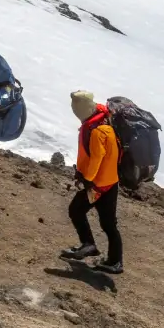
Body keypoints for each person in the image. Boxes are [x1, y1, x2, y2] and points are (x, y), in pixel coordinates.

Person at [59, 91, 124, 275]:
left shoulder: (96, 130)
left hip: (98, 186)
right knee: (109, 224)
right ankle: (115, 261)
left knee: (75, 210)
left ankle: (89, 245)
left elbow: (97, 158)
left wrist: (86, 179)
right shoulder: (105, 121)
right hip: (111, 183)